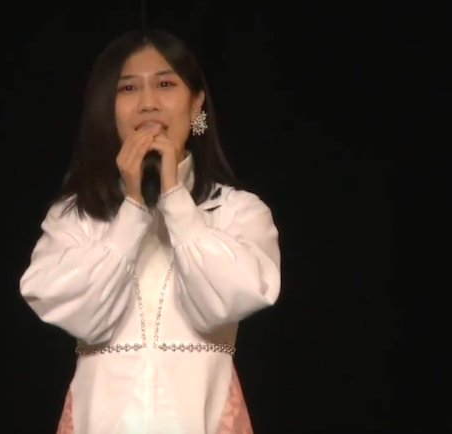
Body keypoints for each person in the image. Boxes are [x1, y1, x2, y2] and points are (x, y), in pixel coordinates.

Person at [19, 29, 281, 434]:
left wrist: (175, 198)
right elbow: (81, 315)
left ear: (196, 102)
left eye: (165, 84)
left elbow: (226, 301)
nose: (148, 104)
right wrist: (133, 209)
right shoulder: (74, 216)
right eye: (128, 88)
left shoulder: (237, 211)